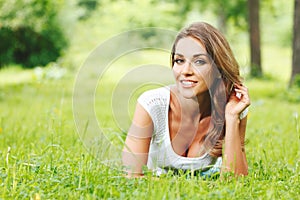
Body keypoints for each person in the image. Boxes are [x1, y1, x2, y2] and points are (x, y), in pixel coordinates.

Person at [122, 22, 250, 178]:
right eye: (179, 61)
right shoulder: (151, 104)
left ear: (218, 69)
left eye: (199, 62)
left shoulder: (233, 108)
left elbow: (236, 181)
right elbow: (131, 176)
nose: (185, 71)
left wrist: (230, 118)